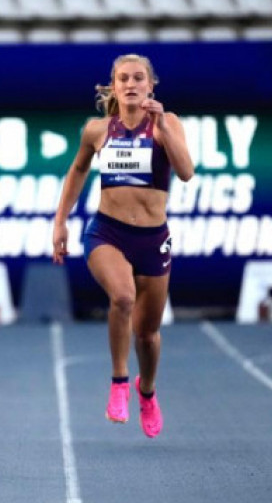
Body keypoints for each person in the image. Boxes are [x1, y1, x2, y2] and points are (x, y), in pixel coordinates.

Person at [52, 54, 193, 438]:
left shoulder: (167, 123)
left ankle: (146, 391)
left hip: (153, 238)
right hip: (107, 233)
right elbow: (78, 169)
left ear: (151, 85)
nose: (131, 84)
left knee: (147, 334)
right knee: (123, 297)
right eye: (123, 79)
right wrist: (61, 221)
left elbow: (186, 171)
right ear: (113, 86)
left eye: (138, 78)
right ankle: (118, 382)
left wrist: (162, 124)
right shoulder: (97, 130)